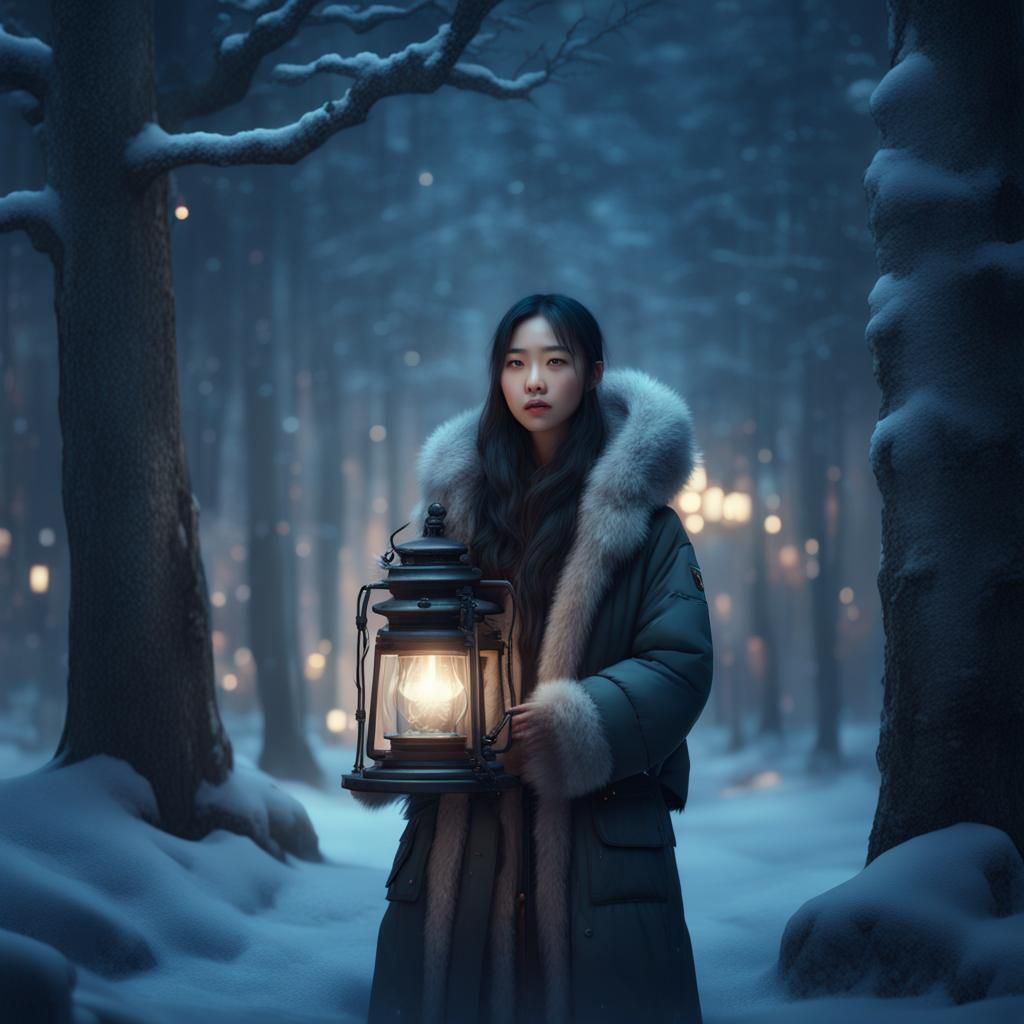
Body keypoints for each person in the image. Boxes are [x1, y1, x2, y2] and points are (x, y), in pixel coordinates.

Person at [357, 293, 714, 1024]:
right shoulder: (450, 517)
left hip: (598, 838)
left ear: (594, 372)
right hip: (466, 828)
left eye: (556, 362)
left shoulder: (646, 528)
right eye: (516, 364)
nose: (536, 382)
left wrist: (573, 728)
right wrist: (425, 732)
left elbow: (680, 663)